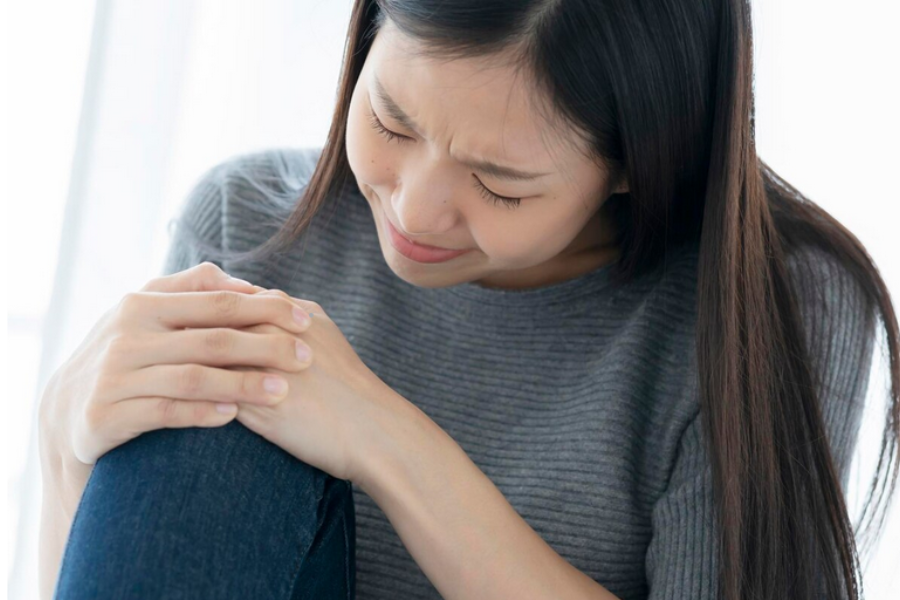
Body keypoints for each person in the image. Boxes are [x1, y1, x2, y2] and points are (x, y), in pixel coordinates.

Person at [39, 1, 899, 599]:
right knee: (214, 405)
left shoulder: (771, 306)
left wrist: (385, 439)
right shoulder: (247, 221)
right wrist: (61, 446)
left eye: (500, 183)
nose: (414, 209)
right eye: (390, 121)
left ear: (637, 163)